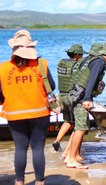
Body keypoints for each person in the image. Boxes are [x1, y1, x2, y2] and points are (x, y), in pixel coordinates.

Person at [0, 30, 55, 185]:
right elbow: (51, 86)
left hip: (14, 113)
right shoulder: (41, 64)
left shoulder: (2, 68)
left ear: (14, 49)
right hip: (40, 112)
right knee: (38, 148)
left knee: (20, 148)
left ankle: (19, 181)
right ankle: (39, 181)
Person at [66, 41, 106, 168]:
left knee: (79, 127)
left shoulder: (90, 60)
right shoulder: (100, 62)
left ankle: (72, 156)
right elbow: (92, 80)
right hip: (82, 98)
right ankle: (71, 159)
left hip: (74, 95)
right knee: (81, 128)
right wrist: (87, 98)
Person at [52, 44, 87, 152]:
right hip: (71, 97)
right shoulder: (77, 66)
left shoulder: (62, 63)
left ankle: (57, 141)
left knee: (68, 120)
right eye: (81, 54)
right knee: (77, 124)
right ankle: (70, 151)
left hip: (61, 95)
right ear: (76, 55)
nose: (82, 56)